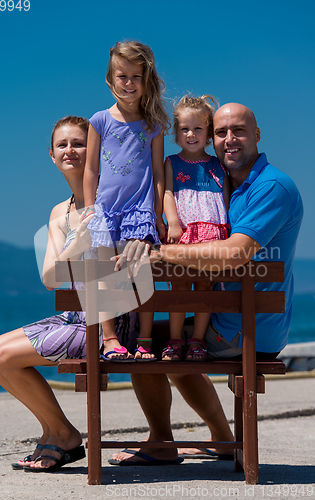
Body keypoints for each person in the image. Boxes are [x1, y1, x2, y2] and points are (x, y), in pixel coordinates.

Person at [109, 102, 303, 464]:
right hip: (235, 321)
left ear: (257, 135)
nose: (229, 139)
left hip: (245, 331)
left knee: (143, 344)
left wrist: (160, 254)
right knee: (177, 341)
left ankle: (162, 442)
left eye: (239, 131)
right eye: (221, 132)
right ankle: (219, 437)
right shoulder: (231, 185)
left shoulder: (271, 186)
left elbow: (233, 254)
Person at [0, 116, 138, 472]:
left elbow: (116, 272)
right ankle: (54, 430)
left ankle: (63, 435)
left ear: (95, 149)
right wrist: (78, 242)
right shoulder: (60, 212)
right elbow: (51, 277)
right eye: (62, 145)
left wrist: (75, 251)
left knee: (4, 358)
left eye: (79, 143)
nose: (71, 150)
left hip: (110, 324)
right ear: (51, 155)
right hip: (76, 317)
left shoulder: (115, 201)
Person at [82, 40, 170, 362]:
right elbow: (90, 169)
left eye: (136, 76)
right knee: (104, 275)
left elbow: (159, 171)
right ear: (111, 79)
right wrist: (90, 209)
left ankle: (145, 340)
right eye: (123, 76)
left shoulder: (153, 125)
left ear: (147, 81)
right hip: (105, 212)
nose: (129, 83)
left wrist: (157, 213)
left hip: (139, 213)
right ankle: (110, 339)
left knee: (142, 275)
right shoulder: (99, 120)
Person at [163, 95, 229, 361]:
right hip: (184, 232)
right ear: (176, 133)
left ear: (209, 133)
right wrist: (174, 223)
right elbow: (168, 193)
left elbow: (224, 198)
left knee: (205, 288)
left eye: (198, 129)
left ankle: (198, 341)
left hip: (212, 234)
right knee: (179, 288)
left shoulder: (217, 165)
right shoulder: (172, 162)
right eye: (184, 129)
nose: (191, 134)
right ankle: (175, 339)